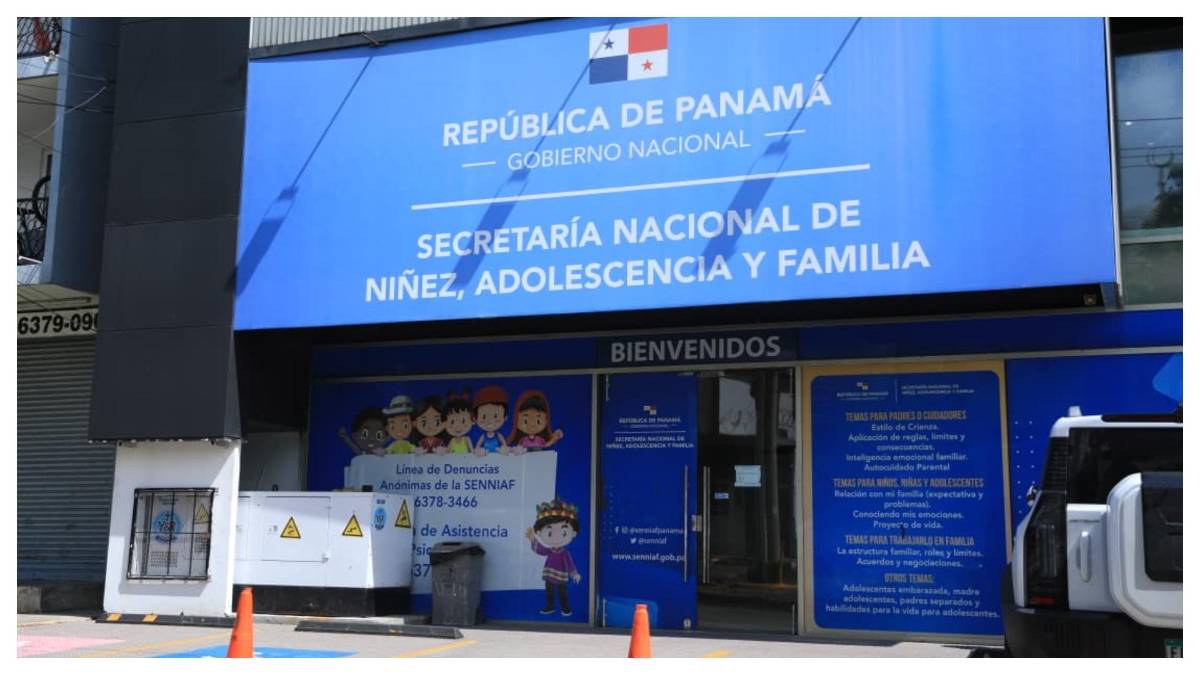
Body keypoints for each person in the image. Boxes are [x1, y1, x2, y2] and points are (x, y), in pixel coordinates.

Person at [525, 498, 581, 616]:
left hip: (561, 576)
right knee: (549, 592)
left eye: (564, 533)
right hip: (549, 574)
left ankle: (565, 608)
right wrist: (532, 539)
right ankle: (550, 607)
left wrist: (574, 574)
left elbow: (570, 565)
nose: (556, 538)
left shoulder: (565, 553)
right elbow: (540, 550)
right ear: (539, 533)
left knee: (562, 593)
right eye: (550, 533)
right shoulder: (549, 550)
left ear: (573, 533)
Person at [472, 385, 509, 456]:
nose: (489, 421)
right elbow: (477, 447)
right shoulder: (483, 436)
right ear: (475, 419)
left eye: (495, 416)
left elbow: (505, 446)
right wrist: (479, 451)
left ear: (505, 418)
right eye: (484, 417)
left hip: (497, 457)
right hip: (485, 458)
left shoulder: (498, 435)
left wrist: (503, 449)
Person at [444, 390, 475, 454]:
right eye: (452, 422)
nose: (457, 426)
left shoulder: (466, 439)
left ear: (472, 421)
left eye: (463, 421)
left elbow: (472, 452)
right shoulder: (452, 441)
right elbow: (447, 452)